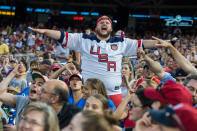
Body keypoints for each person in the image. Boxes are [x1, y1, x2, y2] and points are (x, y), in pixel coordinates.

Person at [28, 15, 159, 106]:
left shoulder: (122, 42)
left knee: (114, 125)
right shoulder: (84, 39)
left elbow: (143, 43)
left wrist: (164, 43)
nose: (104, 23)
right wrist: (45, 31)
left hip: (114, 93)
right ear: (96, 28)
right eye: (101, 22)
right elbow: (62, 36)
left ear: (111, 29)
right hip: (89, 93)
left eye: (107, 22)